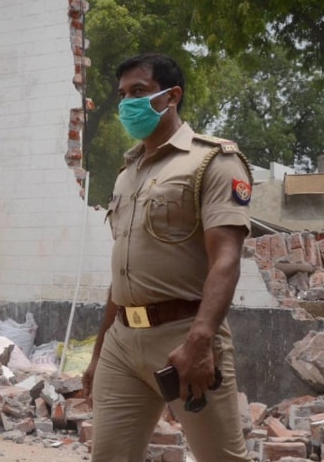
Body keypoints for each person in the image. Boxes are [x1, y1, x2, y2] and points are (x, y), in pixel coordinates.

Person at [82, 53, 253, 462]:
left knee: (222, 458)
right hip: (122, 343)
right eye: (122, 95)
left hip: (184, 336)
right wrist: (99, 351)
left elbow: (226, 259)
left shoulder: (213, 161)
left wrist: (200, 341)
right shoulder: (128, 173)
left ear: (171, 96)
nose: (127, 104)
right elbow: (123, 272)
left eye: (138, 92)